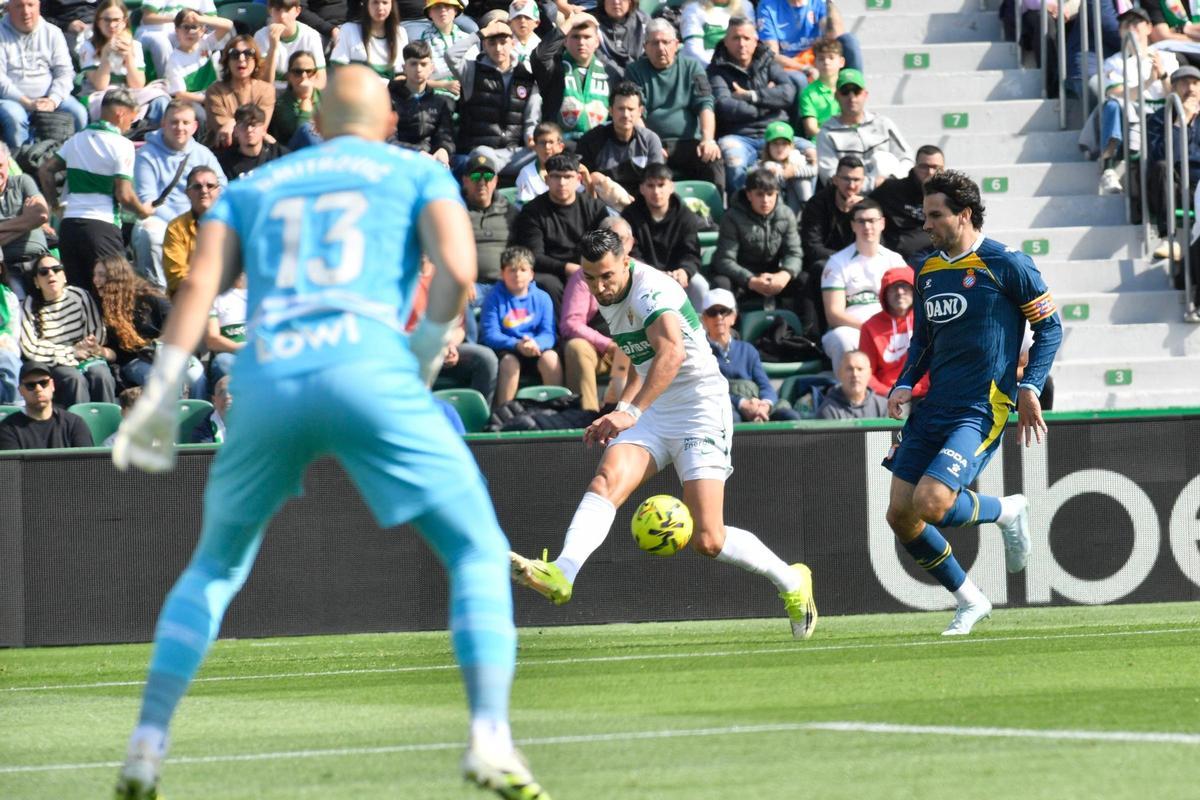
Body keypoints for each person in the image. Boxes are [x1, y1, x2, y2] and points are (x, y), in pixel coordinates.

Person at [110, 65, 551, 800]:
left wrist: (159, 395)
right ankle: (488, 738)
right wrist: (422, 352)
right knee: (476, 550)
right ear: (389, 123)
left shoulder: (253, 186)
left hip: (267, 376)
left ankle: (145, 746)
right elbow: (458, 269)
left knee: (215, 567)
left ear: (315, 123)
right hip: (367, 365)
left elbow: (198, 289)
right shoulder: (416, 171)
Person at [509, 228, 817, 640]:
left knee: (708, 539)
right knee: (606, 480)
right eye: (590, 278)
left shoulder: (651, 291)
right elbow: (644, 360)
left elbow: (672, 352)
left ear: (626, 261)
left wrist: (631, 412)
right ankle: (562, 574)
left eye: (607, 276)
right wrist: (623, 410)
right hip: (655, 409)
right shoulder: (608, 293)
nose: (599, 287)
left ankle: (792, 579)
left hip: (699, 409)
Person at [884, 170, 1062, 635]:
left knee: (932, 503)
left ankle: (1006, 510)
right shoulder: (928, 270)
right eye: (925, 215)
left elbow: (1050, 328)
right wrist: (905, 382)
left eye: (935, 215)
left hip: (981, 407)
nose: (927, 224)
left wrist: (1030, 387)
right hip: (933, 406)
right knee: (901, 515)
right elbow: (923, 340)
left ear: (964, 214)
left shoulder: (1007, 264)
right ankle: (970, 599)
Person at [38, 88, 156, 293]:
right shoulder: (123, 145)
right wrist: (143, 211)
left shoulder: (76, 139)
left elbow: (45, 170)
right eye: (132, 118)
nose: (131, 124)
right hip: (102, 227)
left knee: (81, 297)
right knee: (116, 295)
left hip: (70, 228)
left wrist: (55, 205)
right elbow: (124, 194)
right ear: (120, 113)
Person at [132, 100, 226, 290]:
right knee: (148, 232)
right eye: (174, 122)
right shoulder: (146, 155)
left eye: (185, 122)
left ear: (194, 126)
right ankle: (159, 294)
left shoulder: (203, 154)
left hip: (200, 219)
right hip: (163, 220)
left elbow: (222, 187)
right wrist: (182, 225)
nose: (180, 127)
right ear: (163, 124)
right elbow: (148, 200)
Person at [626, 19, 725, 195]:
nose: (661, 48)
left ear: (676, 44)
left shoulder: (692, 66)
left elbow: (705, 105)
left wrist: (708, 139)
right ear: (645, 47)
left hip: (690, 142)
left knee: (713, 159)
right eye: (654, 43)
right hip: (654, 143)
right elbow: (635, 113)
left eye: (666, 42)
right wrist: (650, 143)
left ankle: (715, 209)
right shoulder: (634, 71)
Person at [93, 254, 207, 400]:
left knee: (196, 376)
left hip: (167, 352)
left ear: (117, 277)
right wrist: (100, 351)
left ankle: (200, 414)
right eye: (95, 275)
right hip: (135, 361)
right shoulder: (101, 308)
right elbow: (117, 354)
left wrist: (158, 344)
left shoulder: (150, 297)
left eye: (102, 275)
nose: (96, 280)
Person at [509, 153, 611, 308]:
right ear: (546, 179)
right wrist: (567, 268)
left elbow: (607, 247)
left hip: (588, 268)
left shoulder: (595, 208)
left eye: (568, 177)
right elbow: (534, 256)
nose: (562, 183)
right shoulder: (532, 211)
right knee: (548, 284)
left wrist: (587, 269)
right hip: (550, 271)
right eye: (556, 176)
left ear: (578, 179)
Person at [707, 16, 796, 192]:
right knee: (734, 163)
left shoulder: (768, 61)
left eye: (746, 38)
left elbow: (788, 93)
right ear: (726, 42)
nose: (741, 44)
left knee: (811, 155)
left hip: (776, 133)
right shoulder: (716, 70)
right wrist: (770, 102)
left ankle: (800, 208)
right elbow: (725, 106)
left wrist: (751, 96)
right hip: (738, 135)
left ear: (755, 41)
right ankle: (740, 207)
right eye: (736, 38)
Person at [18, 255, 117, 406]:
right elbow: (30, 348)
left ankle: (108, 419)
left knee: (101, 375)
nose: (51, 274)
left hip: (87, 356)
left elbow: (97, 331)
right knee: (73, 379)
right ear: (36, 281)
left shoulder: (80, 295)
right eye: (44, 272)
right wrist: (70, 352)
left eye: (56, 269)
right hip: (55, 362)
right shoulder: (28, 305)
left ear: (64, 276)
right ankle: (78, 421)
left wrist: (88, 346)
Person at [819, 198, 906, 370]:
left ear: (882, 223)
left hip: (889, 327)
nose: (867, 226)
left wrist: (883, 328)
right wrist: (869, 328)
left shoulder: (895, 261)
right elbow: (834, 315)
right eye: (861, 221)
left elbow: (908, 306)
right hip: (850, 329)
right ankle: (848, 388)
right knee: (841, 339)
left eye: (872, 220)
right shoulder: (836, 263)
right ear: (853, 225)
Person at [449, 18, 540, 179]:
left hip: (512, 153)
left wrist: (531, 138)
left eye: (503, 42)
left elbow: (531, 117)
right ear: (484, 46)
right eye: (492, 43)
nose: (498, 48)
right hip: (479, 151)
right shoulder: (472, 70)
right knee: (482, 157)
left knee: (545, 153)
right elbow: (451, 55)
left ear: (512, 43)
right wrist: (480, 34)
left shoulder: (525, 76)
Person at [0, 0, 88, 151]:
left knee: (79, 113)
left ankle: (76, 158)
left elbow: (65, 72)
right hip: (11, 100)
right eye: (19, 6)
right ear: (8, 8)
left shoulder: (53, 32)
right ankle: (22, 160)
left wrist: (53, 100)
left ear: (39, 6)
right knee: (15, 117)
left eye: (30, 5)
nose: (26, 11)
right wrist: (27, 102)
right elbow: (1, 80)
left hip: (50, 97)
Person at [480, 245, 562, 406]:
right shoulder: (493, 298)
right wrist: (517, 345)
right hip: (507, 350)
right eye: (512, 270)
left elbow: (549, 333)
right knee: (509, 363)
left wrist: (535, 344)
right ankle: (504, 412)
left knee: (551, 359)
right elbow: (490, 334)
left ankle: (558, 409)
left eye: (523, 269)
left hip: (534, 348)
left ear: (531, 274)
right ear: (502, 273)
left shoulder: (543, 298)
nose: (517, 274)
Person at [702, 287, 800, 422]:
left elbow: (765, 385)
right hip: (724, 406)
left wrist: (765, 406)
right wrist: (741, 403)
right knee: (731, 419)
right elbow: (706, 390)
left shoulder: (748, 350)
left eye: (724, 311)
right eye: (712, 312)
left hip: (756, 402)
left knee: (790, 417)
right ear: (704, 319)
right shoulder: (699, 352)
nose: (719, 317)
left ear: (733, 317)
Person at [710, 167, 802, 309]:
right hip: (741, 277)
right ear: (749, 195)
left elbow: (794, 253)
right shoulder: (732, 217)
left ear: (777, 194)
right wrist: (751, 280)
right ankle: (730, 323)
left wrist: (785, 274)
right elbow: (724, 260)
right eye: (759, 194)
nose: (765, 200)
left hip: (774, 276)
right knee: (721, 284)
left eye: (770, 194)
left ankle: (805, 324)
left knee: (805, 279)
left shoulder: (786, 214)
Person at [621, 162, 706, 308]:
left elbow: (691, 252)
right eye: (650, 185)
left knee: (700, 285)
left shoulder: (685, 216)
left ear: (671, 187)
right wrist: (657, 275)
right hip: (643, 278)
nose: (656, 191)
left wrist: (685, 271)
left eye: (661, 185)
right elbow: (632, 254)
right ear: (641, 189)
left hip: (678, 276)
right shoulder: (630, 216)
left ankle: (700, 323)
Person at [815, 68, 913, 193]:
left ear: (865, 94)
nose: (851, 97)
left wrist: (892, 180)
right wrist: (872, 185)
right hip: (850, 196)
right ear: (836, 96)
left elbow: (907, 158)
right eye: (845, 92)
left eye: (856, 91)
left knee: (883, 158)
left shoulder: (883, 123)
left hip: (890, 191)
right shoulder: (826, 133)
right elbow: (830, 176)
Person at [531, 12, 621, 143]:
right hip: (558, 146)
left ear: (597, 41)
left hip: (597, 146)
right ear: (565, 41)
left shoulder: (610, 72)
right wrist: (571, 22)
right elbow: (539, 56)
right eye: (575, 37)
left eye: (587, 37)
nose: (581, 42)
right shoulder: (554, 67)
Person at [77, 0, 169, 125]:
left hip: (130, 91)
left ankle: (151, 131)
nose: (112, 25)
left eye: (116, 20)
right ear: (98, 22)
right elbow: (100, 85)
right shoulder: (88, 46)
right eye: (107, 20)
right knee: (114, 104)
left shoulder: (135, 45)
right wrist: (105, 55)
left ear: (124, 21)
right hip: (101, 94)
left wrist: (129, 56)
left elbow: (137, 85)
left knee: (160, 99)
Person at [799, 154, 864, 328]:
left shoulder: (867, 207)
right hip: (826, 263)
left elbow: (878, 244)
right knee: (812, 273)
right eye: (846, 179)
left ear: (863, 181)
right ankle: (814, 334)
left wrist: (859, 214)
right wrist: (844, 260)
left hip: (860, 263)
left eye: (856, 180)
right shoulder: (817, 204)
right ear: (835, 180)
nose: (851, 185)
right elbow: (812, 247)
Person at [857, 265, 929, 400]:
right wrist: (887, 393)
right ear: (884, 294)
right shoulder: (870, 327)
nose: (900, 292)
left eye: (905, 286)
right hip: (890, 396)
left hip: (928, 393)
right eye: (894, 287)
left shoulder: (928, 318)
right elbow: (866, 372)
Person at [755, 0, 862, 84]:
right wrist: (805, 68)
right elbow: (773, 55)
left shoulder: (819, 3)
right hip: (791, 65)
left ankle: (855, 91)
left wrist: (829, 4)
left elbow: (834, 38)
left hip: (820, 59)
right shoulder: (768, 6)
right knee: (800, 78)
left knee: (849, 40)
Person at [869, 144, 944, 263]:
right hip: (896, 261)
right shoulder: (892, 190)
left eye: (935, 167)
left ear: (943, 169)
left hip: (937, 259)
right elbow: (866, 207)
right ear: (915, 167)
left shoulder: (950, 196)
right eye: (924, 166)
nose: (930, 172)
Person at [0, 361, 94, 449]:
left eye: (43, 383)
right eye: (30, 385)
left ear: (52, 385)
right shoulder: (7, 429)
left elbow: (87, 461)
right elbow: (12, 462)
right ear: (21, 390)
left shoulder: (74, 424)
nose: (38, 389)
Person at [204, 36, 276, 149]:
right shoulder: (214, 91)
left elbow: (260, 126)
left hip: (255, 149)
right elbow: (224, 131)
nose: (241, 59)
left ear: (256, 60)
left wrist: (232, 122)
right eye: (234, 54)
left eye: (248, 54)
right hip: (223, 149)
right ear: (227, 61)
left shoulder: (266, 90)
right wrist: (233, 124)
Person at [164, 8, 230, 128]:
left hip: (215, 93)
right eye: (185, 27)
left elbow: (228, 25)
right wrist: (206, 99)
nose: (190, 32)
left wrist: (201, 19)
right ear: (177, 30)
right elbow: (180, 94)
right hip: (194, 101)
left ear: (202, 30)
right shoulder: (174, 60)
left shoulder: (205, 43)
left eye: (194, 27)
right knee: (203, 117)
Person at [390, 41, 454, 163]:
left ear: (432, 68)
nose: (418, 69)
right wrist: (417, 152)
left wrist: (444, 150)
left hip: (433, 161)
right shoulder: (389, 100)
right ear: (404, 68)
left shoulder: (440, 102)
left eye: (423, 64)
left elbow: (445, 136)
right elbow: (388, 139)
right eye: (413, 64)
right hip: (400, 161)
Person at [137, 0, 233, 81]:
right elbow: (147, 18)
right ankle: (167, 84)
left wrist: (198, 19)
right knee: (161, 42)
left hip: (182, 33)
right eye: (187, 27)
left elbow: (220, 22)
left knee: (219, 40)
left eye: (193, 27)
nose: (190, 30)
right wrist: (180, 19)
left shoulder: (204, 41)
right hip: (153, 32)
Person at [164, 166, 223, 295]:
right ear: (188, 193)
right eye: (197, 187)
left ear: (218, 191)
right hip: (190, 297)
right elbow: (175, 275)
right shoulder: (176, 228)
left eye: (210, 186)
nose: (204, 191)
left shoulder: (235, 225)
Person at [0, 141, 51, 289]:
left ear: (8, 164)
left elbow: (41, 214)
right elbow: (35, 218)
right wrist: (27, 220)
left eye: (0, 166)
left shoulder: (22, 182)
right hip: (8, 267)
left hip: (40, 261)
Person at [256, 0, 329, 91]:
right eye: (277, 10)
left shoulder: (311, 36)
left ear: (297, 11)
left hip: (301, 92)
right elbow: (264, 84)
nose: (282, 16)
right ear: (270, 10)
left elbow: (321, 81)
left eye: (287, 10)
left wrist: (302, 88)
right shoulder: (260, 36)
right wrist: (273, 48)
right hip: (272, 92)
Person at [330, 0, 409, 80]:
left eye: (385, 3)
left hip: (391, 87)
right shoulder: (349, 29)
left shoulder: (400, 33)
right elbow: (338, 67)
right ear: (366, 4)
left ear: (392, 5)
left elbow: (402, 73)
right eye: (375, 2)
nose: (380, 8)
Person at [757, 119, 817, 215]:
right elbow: (757, 174)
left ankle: (808, 208)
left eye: (784, 144)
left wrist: (794, 172)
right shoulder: (765, 165)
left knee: (801, 181)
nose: (780, 148)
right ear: (768, 146)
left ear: (791, 146)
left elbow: (814, 170)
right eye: (775, 143)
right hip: (777, 208)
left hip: (797, 205)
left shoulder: (796, 159)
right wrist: (782, 174)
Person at [217, 103, 291, 180]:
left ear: (264, 130)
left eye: (254, 125)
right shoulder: (225, 163)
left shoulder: (280, 155)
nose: (249, 130)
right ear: (235, 131)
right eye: (243, 125)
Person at [815, 349, 887, 419]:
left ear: (869, 373)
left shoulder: (884, 406)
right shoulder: (828, 410)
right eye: (849, 369)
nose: (855, 374)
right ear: (840, 373)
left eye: (860, 369)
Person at [679, 0, 755, 66]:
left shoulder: (745, 6)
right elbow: (693, 50)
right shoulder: (693, 9)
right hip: (707, 67)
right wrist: (717, 69)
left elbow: (752, 40)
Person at [204, 271, 246, 388]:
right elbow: (212, 339)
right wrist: (244, 350)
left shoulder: (263, 295)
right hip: (232, 354)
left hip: (262, 354)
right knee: (223, 362)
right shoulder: (216, 298)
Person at [797, 36, 843, 140]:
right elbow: (811, 128)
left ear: (841, 62)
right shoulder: (808, 93)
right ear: (814, 63)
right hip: (821, 142)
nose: (826, 62)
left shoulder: (849, 86)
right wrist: (832, 140)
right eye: (821, 58)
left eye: (831, 57)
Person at [594, 0, 650, 79]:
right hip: (607, 76)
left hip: (639, 76)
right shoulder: (592, 23)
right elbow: (599, 57)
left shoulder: (643, 21)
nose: (616, 2)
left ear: (630, 1)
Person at [516, 121, 566, 203]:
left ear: (560, 147)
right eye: (542, 142)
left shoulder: (571, 172)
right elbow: (524, 207)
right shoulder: (526, 173)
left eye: (551, 142)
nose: (547, 147)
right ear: (535, 146)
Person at [0, 261, 21, 401]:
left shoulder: (9, 297)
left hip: (5, 351)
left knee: (10, 360)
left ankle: (14, 410)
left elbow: (14, 335)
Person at [190, 374, 232, 443]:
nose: (227, 396)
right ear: (214, 401)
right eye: (221, 392)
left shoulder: (251, 425)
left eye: (233, 391)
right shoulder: (202, 433)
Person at [507, 0, 542, 65]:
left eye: (527, 17)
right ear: (509, 22)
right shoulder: (504, 44)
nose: (522, 21)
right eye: (518, 17)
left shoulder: (541, 45)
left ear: (537, 23)